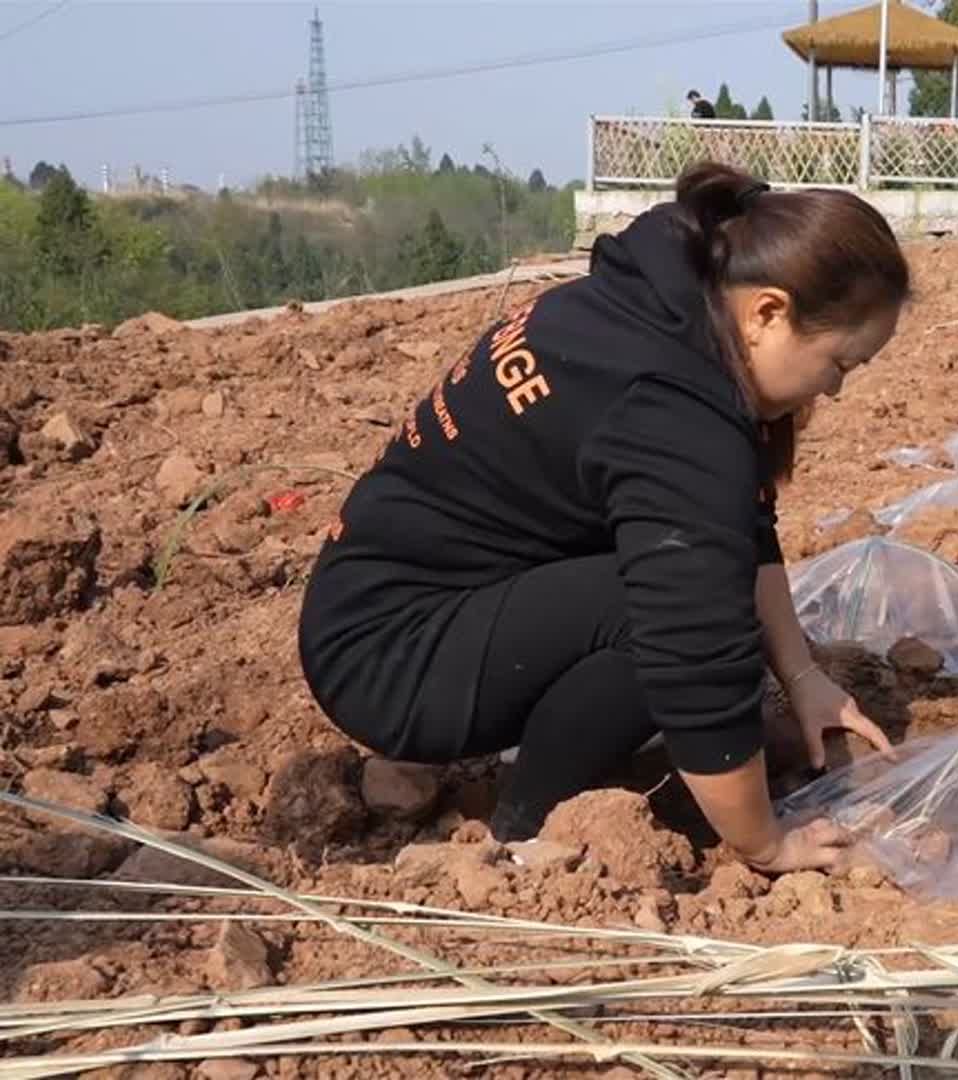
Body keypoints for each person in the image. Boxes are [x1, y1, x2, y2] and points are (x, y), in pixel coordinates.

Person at [297, 162, 911, 874]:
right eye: (840, 364)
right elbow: (693, 644)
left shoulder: (658, 307)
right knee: (685, 613)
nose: (833, 390)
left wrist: (802, 679)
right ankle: (527, 830)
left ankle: (571, 758)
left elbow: (738, 523)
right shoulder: (668, 404)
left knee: (700, 590)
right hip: (390, 656)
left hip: (386, 607)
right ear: (768, 312)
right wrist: (765, 841)